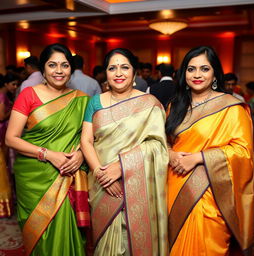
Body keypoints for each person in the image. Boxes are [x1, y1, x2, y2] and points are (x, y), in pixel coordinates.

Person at [166, 46, 254, 255]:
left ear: (215, 73)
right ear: (183, 74)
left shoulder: (231, 108)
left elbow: (243, 152)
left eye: (204, 69)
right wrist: (169, 154)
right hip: (173, 187)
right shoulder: (175, 105)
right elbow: (163, 142)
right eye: (191, 69)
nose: (197, 75)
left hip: (211, 192)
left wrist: (199, 158)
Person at [81, 48, 168, 256]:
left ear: (134, 72)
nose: (118, 73)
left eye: (124, 67)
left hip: (137, 183)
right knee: (104, 244)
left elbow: (158, 146)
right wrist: (102, 174)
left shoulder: (149, 104)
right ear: (106, 73)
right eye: (112, 68)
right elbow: (86, 140)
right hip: (102, 183)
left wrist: (122, 166)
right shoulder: (95, 102)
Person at [5, 43, 90, 256]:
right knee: (40, 237)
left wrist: (80, 155)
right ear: (43, 69)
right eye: (52, 65)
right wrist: (49, 154)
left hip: (68, 175)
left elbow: (90, 138)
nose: (59, 71)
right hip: (35, 176)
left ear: (71, 69)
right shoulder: (28, 95)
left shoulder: (81, 99)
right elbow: (11, 138)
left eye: (64, 65)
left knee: (68, 231)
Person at [0, 73, 18, 218]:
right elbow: (1, 117)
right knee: (3, 165)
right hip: (2, 130)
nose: (15, 87)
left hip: (5, 129)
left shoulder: (5, 96)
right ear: (5, 84)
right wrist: (13, 109)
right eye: (13, 84)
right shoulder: (1, 96)